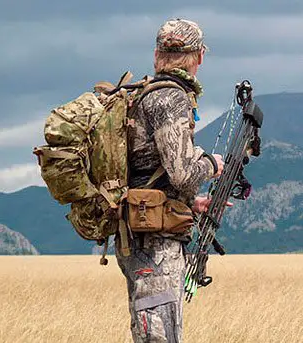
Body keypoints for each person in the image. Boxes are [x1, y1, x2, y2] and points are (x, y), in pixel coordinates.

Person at [115, 18, 224, 343]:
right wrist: (212, 164)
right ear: (199, 57)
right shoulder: (171, 99)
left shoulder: (145, 95)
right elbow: (182, 172)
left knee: (151, 332)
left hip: (141, 236)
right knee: (159, 337)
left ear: (156, 55)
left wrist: (191, 203)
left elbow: (150, 171)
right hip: (155, 246)